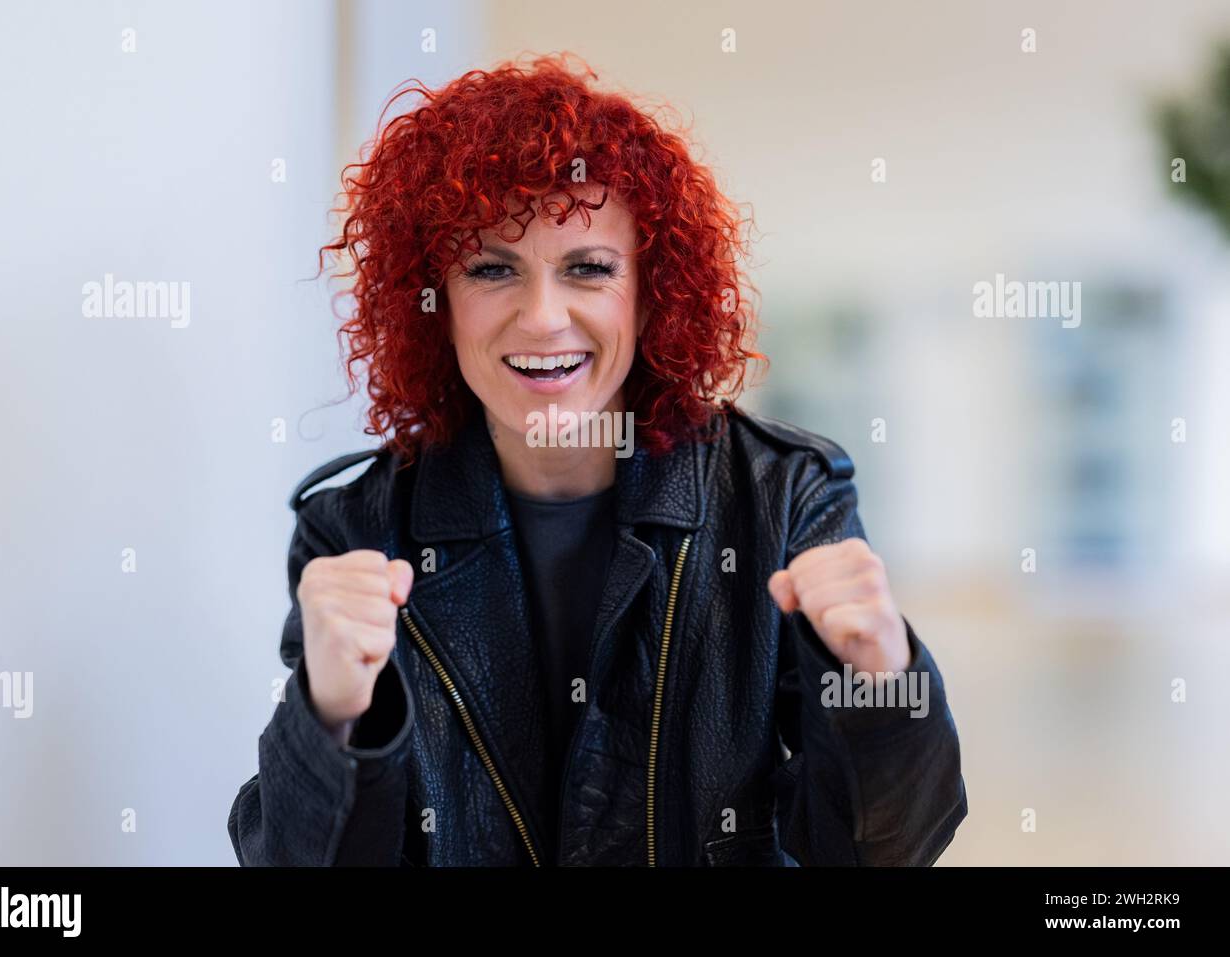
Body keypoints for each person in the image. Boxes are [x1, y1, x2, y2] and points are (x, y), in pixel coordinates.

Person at [228, 54, 966, 866]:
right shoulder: (355, 529)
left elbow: (880, 850)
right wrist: (330, 716)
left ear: (651, 293)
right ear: (433, 303)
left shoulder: (781, 496)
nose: (544, 318)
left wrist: (884, 683)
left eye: (588, 268)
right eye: (491, 268)